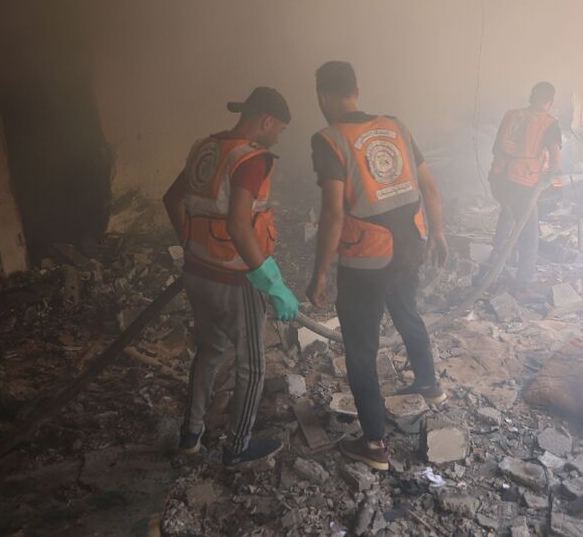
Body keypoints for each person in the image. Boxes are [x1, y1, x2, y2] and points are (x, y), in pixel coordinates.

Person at [306, 61, 448, 471]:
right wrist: (438, 233)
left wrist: (318, 272)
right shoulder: (395, 126)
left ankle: (373, 446)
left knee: (362, 349)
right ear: (356, 89)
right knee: (407, 313)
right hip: (410, 245)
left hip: (367, 259)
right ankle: (429, 384)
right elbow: (431, 186)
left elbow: (333, 213)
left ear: (323, 97)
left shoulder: (329, 139)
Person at [163, 87, 298, 468]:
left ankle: (190, 436)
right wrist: (272, 283)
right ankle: (236, 449)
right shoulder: (252, 159)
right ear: (266, 121)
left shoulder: (205, 148)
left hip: (197, 273)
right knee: (252, 365)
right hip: (236, 280)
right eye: (281, 130)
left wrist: (191, 246)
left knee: (208, 351)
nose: (278, 137)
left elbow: (170, 199)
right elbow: (240, 225)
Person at [488, 82, 562, 297]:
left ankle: (496, 256)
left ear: (531, 96)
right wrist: (551, 176)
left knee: (508, 211)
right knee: (529, 232)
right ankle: (522, 283)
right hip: (523, 182)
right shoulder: (548, 123)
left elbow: (496, 146)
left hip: (500, 177)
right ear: (550, 101)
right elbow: (555, 158)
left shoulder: (511, 115)